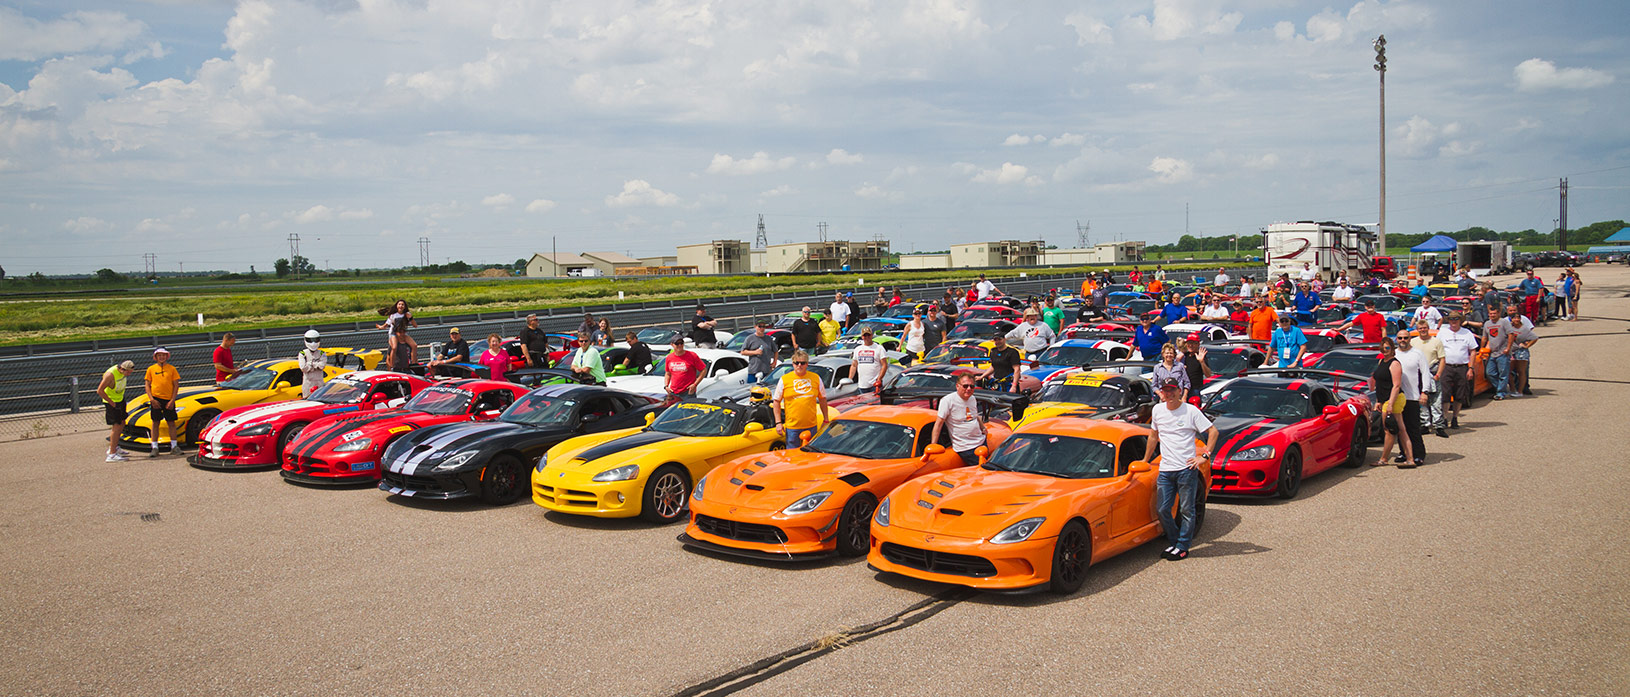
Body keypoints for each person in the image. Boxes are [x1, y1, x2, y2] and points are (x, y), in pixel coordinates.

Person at [1140, 377, 1218, 561]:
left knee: (1187, 510)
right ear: (1162, 392)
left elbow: (1213, 432)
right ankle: (1175, 541)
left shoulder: (1191, 411)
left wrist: (1204, 456)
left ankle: (1183, 546)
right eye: (1166, 391)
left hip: (1186, 469)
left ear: (1179, 390)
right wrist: (1145, 459)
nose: (1169, 394)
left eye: (1173, 390)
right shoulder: (1158, 410)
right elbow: (1153, 436)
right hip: (1166, 469)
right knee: (1163, 509)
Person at [1370, 338, 1414, 467]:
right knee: (1399, 429)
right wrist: (1378, 401)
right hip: (1385, 400)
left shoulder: (1394, 364)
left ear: (1392, 349)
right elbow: (1379, 383)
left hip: (1394, 399)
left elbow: (1396, 385)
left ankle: (1384, 459)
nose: (1385, 350)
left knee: (1390, 430)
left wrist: (1390, 404)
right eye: (1383, 348)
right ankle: (1409, 458)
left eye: (1387, 348)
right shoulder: (1381, 361)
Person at [773, 350, 828, 448]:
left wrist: (826, 420)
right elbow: (776, 401)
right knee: (792, 456)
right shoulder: (784, 379)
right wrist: (778, 423)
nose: (799, 365)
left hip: (811, 426)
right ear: (793, 364)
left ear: (807, 364)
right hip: (792, 427)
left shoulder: (815, 378)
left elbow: (823, 399)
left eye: (802, 363)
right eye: (796, 363)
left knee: (810, 455)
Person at [932, 373, 988, 466]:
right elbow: (939, 423)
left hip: (981, 442)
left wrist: (983, 428)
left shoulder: (972, 398)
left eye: (972, 386)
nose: (969, 389)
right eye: (965, 386)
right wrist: (933, 445)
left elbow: (975, 416)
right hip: (966, 447)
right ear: (957, 386)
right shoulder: (947, 401)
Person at [1434, 313, 1478, 431]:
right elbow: (1436, 349)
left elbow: (1473, 351)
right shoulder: (1442, 333)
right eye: (1451, 319)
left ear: (1460, 320)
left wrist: (1471, 368)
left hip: (1462, 367)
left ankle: (1454, 418)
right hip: (1446, 367)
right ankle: (1444, 418)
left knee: (1460, 394)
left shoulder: (1467, 333)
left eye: (1456, 319)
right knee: (1445, 394)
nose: (1453, 321)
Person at [1393, 331, 1430, 467]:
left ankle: (1419, 454)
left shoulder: (1417, 353)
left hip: (1413, 396)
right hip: (1397, 397)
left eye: (1405, 338)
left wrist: (1425, 392)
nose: (1403, 340)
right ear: (1396, 339)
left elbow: (1426, 373)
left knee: (1413, 427)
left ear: (1410, 339)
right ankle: (1404, 452)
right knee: (1399, 428)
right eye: (1400, 338)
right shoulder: (1394, 354)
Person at [1492, 301, 1538, 398]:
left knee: (1522, 372)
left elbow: (1534, 337)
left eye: (1517, 317)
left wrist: (1527, 345)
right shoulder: (1506, 324)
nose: (1516, 319)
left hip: (1521, 352)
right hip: (1510, 351)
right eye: (1514, 317)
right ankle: (1512, 389)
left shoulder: (1524, 328)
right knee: (1508, 371)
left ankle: (1521, 390)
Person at [1412, 318, 1446, 438]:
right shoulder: (1413, 342)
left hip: (1433, 373)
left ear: (1428, 329)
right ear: (1417, 330)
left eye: (1425, 328)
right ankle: (1425, 424)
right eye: (1420, 328)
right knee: (1422, 401)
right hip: (1419, 375)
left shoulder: (1436, 341)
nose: (1423, 330)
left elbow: (1442, 359)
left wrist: (1439, 374)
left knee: (1436, 401)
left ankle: (1439, 426)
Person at [100, 360, 137, 462]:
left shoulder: (122, 373)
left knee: (122, 423)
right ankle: (111, 455)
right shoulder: (110, 375)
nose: (129, 374)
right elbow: (100, 390)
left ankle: (115, 447)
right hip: (112, 402)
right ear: (122, 369)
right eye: (128, 372)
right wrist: (111, 403)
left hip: (120, 399)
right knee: (116, 426)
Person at [662, 337, 707, 404]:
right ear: (672, 344)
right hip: (674, 392)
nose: (680, 345)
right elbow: (668, 373)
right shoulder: (669, 357)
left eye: (681, 343)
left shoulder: (692, 355)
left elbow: (703, 370)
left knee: (689, 413)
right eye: (677, 343)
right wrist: (666, 386)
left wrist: (695, 384)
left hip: (688, 392)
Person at [850, 329, 889, 396]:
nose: (867, 337)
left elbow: (884, 365)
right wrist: (849, 379)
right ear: (862, 337)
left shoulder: (879, 348)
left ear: (872, 335)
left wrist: (879, 379)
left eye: (868, 335)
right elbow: (854, 365)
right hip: (862, 385)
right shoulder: (857, 349)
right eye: (865, 335)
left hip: (874, 385)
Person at [1180, 334, 1209, 404]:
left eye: (1193, 343)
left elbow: (1208, 374)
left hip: (1195, 389)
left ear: (1198, 344)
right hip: (1182, 389)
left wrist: (1202, 362)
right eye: (1189, 343)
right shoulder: (1184, 356)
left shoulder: (1200, 356)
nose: (1191, 345)